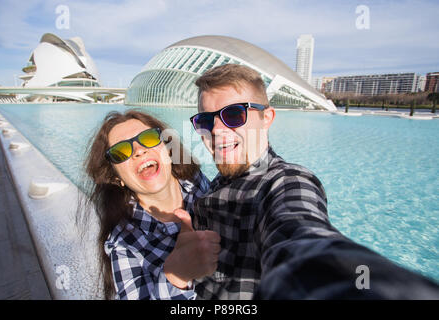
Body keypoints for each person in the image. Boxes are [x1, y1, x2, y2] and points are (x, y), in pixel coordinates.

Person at [188, 64, 439, 299]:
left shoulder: (284, 183)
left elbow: (300, 234)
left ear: (267, 118)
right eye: (206, 121)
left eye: (233, 114)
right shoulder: (223, 179)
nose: (217, 130)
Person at [80, 110, 221, 300]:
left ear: (168, 149)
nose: (139, 150)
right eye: (121, 151)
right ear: (115, 177)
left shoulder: (197, 182)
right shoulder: (124, 245)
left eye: (148, 138)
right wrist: (176, 277)